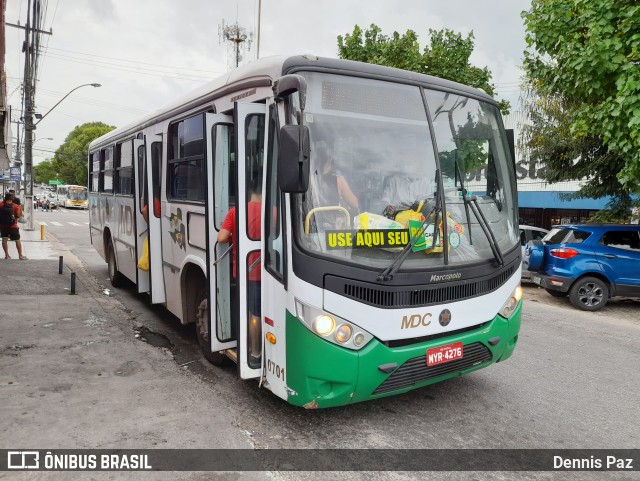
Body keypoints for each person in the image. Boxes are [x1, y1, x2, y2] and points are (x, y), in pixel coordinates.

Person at [217, 177, 262, 361]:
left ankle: (254, 351)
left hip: (246, 272)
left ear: (249, 192)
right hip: (270, 271)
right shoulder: (274, 211)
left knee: (252, 312)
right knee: (262, 310)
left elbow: (221, 238)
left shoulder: (236, 212)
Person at [313, 146, 359, 211]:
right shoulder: (339, 181)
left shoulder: (308, 180)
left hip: (312, 220)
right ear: (329, 161)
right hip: (333, 220)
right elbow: (355, 204)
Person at [1, 193, 27, 260]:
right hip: (13, 226)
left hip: (3, 226)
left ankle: (7, 255)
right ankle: (20, 255)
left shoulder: (1, 204)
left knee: (4, 239)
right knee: (17, 240)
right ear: (12, 198)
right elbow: (18, 216)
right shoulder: (15, 206)